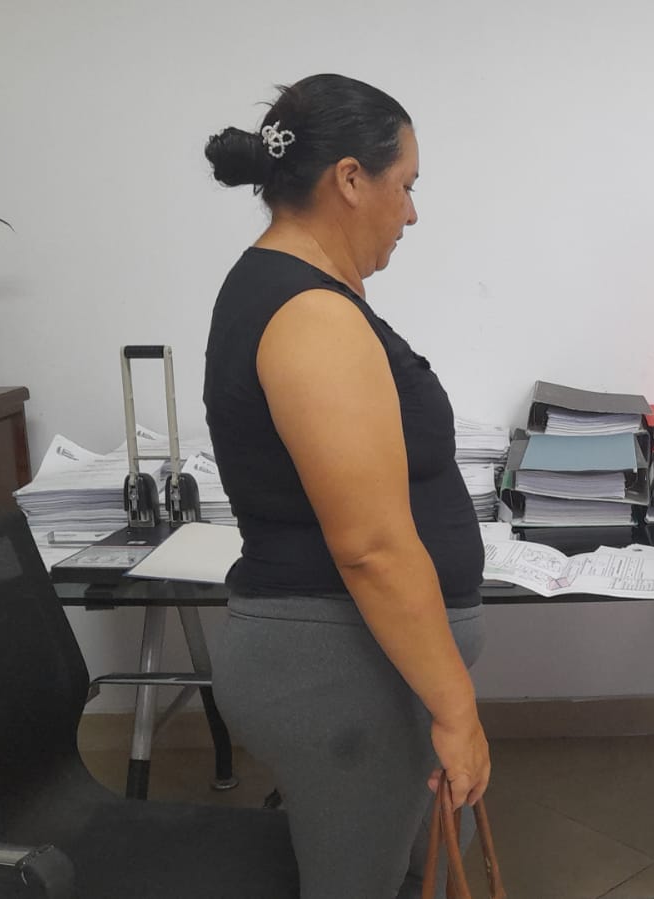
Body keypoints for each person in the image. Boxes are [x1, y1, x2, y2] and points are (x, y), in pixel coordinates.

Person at [201, 74, 490, 898]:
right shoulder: (311, 315)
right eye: (406, 185)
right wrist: (456, 708)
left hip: (354, 663)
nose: (411, 213)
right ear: (351, 179)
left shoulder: (300, 293)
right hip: (336, 666)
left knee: (413, 866)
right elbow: (369, 546)